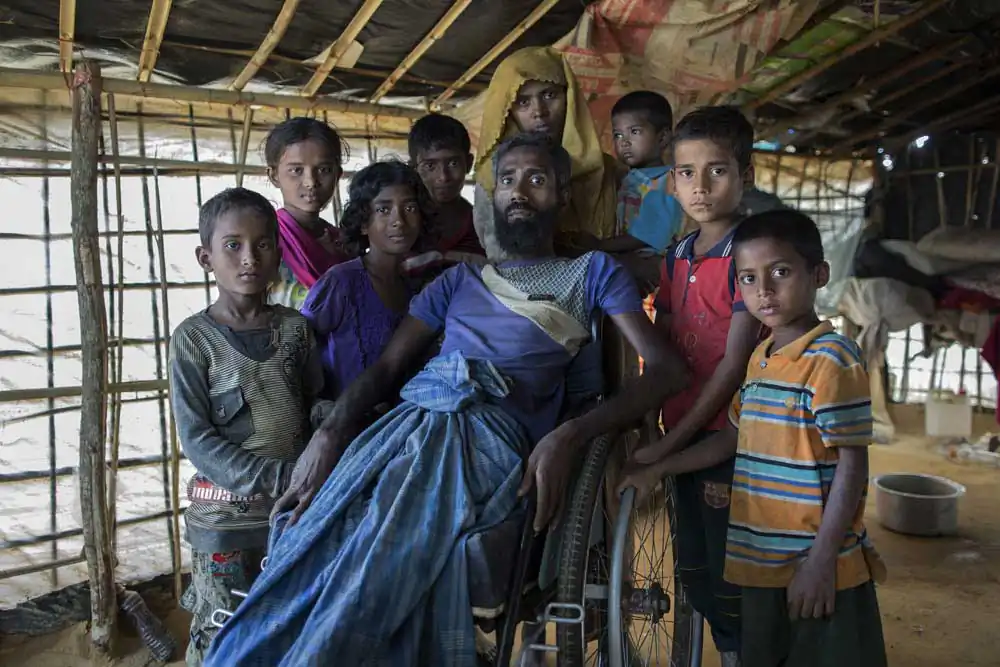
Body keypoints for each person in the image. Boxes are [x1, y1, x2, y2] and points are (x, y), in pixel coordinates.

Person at [203, 133, 688, 667]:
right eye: (507, 180)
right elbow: (387, 368)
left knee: (382, 540)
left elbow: (665, 371)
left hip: (496, 429)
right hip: (417, 418)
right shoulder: (459, 280)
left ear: (563, 195)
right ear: (493, 198)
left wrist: (570, 434)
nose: (519, 191)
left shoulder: (591, 274)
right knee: (317, 525)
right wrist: (330, 434)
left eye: (537, 179)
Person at [622, 209, 888, 667]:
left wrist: (822, 562)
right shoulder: (762, 356)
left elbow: (852, 465)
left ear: (819, 274)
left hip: (819, 568)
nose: (763, 291)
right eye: (747, 278)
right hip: (763, 564)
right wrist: (660, 466)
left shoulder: (831, 359)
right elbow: (731, 438)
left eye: (780, 272)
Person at [628, 105, 765, 666]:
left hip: (729, 439)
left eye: (718, 170)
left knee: (733, 582)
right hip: (683, 429)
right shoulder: (678, 256)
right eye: (687, 173)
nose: (701, 187)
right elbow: (661, 351)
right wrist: (647, 418)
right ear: (671, 180)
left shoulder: (751, 257)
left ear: (746, 174)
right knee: (695, 568)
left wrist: (663, 445)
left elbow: (733, 367)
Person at [168, 188, 327, 666]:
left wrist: (337, 426)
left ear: (278, 252)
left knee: (287, 621)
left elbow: (314, 402)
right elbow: (198, 441)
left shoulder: (296, 329)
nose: (249, 258)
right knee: (221, 628)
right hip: (225, 522)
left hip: (291, 516)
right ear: (205, 257)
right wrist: (285, 478)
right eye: (232, 245)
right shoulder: (194, 340)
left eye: (262, 244)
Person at [302, 160, 435, 406]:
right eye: (384, 210)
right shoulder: (341, 284)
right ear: (363, 222)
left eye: (409, 208)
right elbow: (299, 350)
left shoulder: (415, 289)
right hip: (345, 425)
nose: (399, 221)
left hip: (399, 424)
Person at [472, 46, 621, 260]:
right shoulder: (490, 179)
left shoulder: (608, 171)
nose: (539, 112)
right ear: (507, 112)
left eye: (549, 95)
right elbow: (503, 262)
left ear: (570, 98)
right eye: (523, 102)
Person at [265, 117, 351, 308]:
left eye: (324, 169)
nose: (311, 182)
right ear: (274, 176)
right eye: (296, 170)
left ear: (338, 174)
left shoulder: (345, 243)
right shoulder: (265, 242)